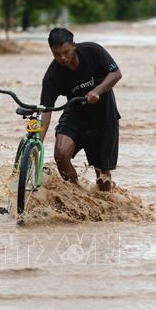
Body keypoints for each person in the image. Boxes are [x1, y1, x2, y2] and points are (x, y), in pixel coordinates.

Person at [40, 28, 122, 191]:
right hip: (75, 116)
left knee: (102, 173)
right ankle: (78, 195)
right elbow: (46, 110)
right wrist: (38, 143)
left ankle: (103, 205)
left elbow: (116, 73)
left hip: (104, 117)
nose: (62, 58)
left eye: (66, 52)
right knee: (61, 155)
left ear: (74, 46)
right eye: (56, 54)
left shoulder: (93, 51)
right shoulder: (52, 75)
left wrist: (96, 91)